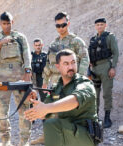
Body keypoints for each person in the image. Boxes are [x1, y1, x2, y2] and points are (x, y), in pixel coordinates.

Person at [31, 12, 90, 145]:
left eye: (63, 25)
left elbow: (84, 60)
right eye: (58, 26)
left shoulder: (76, 41)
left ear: (68, 23)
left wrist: (78, 80)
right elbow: (48, 64)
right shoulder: (53, 44)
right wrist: (45, 81)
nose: (61, 28)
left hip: (70, 83)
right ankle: (47, 136)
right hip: (56, 84)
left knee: (69, 113)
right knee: (50, 111)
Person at [24, 49, 99, 146]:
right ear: (58, 67)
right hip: (67, 132)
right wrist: (35, 102)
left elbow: (75, 100)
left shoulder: (84, 83)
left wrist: (46, 108)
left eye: (73, 62)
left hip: (85, 136)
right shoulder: (57, 87)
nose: (71, 67)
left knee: (52, 124)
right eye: (66, 64)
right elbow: (45, 113)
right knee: (50, 122)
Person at [0, 11, 32, 146]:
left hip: (19, 75)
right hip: (3, 78)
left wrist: (28, 72)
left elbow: (27, 54)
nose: (7, 26)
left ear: (13, 22)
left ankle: (24, 141)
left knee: (24, 108)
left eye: (9, 23)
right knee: (2, 110)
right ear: (0, 23)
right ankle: (5, 141)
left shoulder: (20, 37)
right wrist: (0, 44)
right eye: (4, 24)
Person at [88, 18, 119, 128]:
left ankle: (107, 117)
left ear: (105, 25)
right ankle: (95, 117)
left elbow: (115, 53)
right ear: (95, 26)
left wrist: (113, 67)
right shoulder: (93, 39)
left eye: (101, 24)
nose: (99, 26)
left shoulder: (110, 36)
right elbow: (88, 56)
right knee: (94, 94)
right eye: (97, 25)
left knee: (106, 93)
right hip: (94, 69)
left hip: (106, 66)